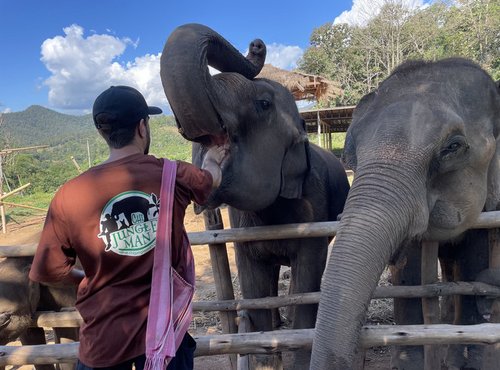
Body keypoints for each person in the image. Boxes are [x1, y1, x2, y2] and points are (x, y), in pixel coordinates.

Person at [29, 85, 224, 370]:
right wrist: (212, 157)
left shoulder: (68, 195)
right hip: (164, 337)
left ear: (102, 132)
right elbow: (211, 179)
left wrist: (83, 277)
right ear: (142, 127)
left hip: (103, 340)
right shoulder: (174, 174)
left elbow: (47, 270)